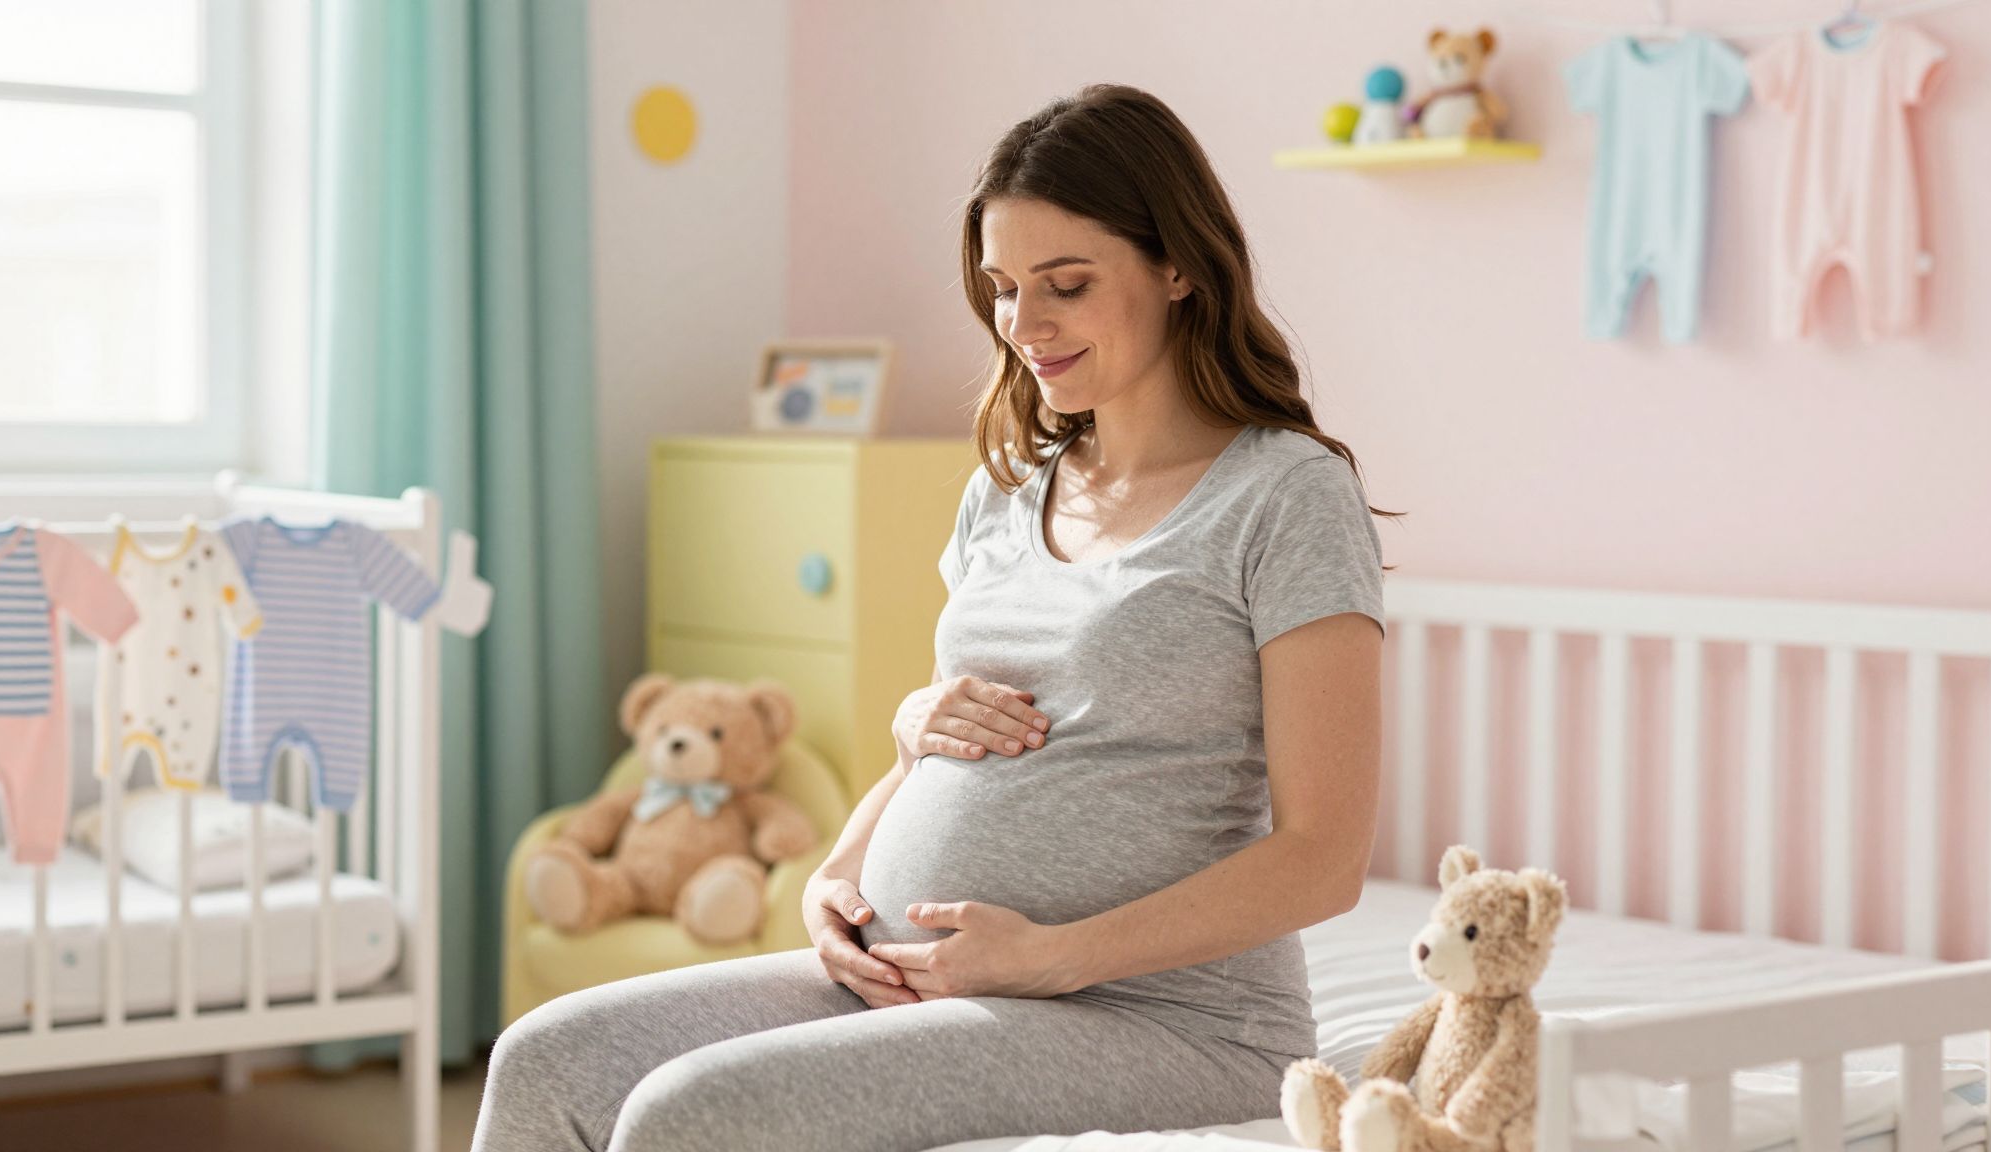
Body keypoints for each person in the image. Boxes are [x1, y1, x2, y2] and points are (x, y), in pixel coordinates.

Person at [471, 81, 1392, 1152]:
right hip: (914, 977)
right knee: (546, 1058)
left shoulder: (1284, 496)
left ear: (1178, 266)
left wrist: (1050, 954)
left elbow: (1324, 855)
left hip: (1164, 1018)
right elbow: (942, 748)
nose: (1023, 325)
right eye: (1003, 288)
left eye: (1066, 284)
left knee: (691, 1118)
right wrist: (835, 877)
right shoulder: (1005, 487)